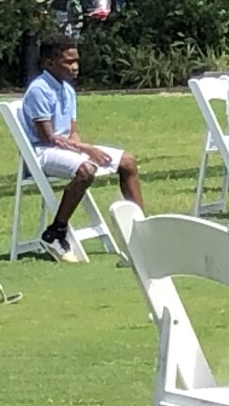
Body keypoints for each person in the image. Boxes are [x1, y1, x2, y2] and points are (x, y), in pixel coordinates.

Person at [21, 34, 143, 262]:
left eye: (76, 60)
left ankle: (140, 232)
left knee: (127, 161)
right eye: (68, 61)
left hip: (65, 148)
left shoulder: (67, 89)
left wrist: (81, 148)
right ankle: (56, 231)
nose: (75, 67)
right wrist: (85, 150)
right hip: (42, 153)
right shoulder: (39, 90)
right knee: (86, 170)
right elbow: (48, 137)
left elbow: (71, 132)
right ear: (49, 63)